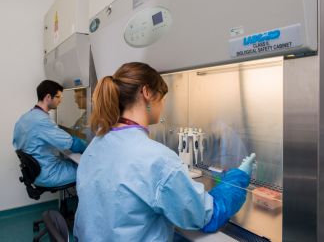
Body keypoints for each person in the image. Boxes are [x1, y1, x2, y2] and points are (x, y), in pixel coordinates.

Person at [73, 62, 255, 241]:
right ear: (146, 92)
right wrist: (237, 178)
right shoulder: (156, 158)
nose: (163, 104)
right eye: (162, 97)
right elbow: (206, 215)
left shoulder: (97, 143)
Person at [13, 80, 87, 188]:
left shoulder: (25, 117)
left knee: (71, 161)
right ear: (48, 97)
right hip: (48, 174)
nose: (60, 101)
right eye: (59, 97)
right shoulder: (41, 121)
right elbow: (72, 144)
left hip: (36, 171)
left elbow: (17, 143)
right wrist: (89, 147)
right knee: (87, 170)